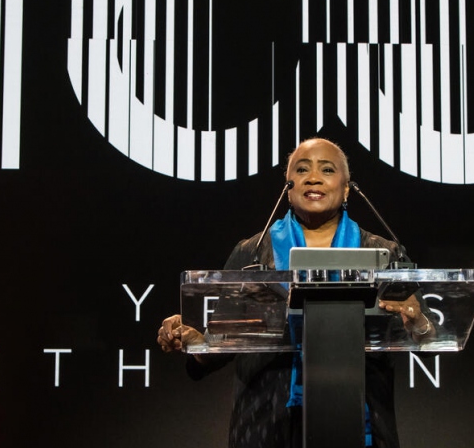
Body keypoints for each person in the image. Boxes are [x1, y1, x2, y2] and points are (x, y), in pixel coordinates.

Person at [157, 137, 434, 448]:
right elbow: (224, 342)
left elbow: (430, 336)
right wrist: (200, 345)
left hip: (359, 420)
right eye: (302, 170)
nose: (313, 177)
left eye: (327, 170)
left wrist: (418, 324)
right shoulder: (253, 253)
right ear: (289, 188)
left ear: (346, 189)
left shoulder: (383, 252)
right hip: (266, 425)